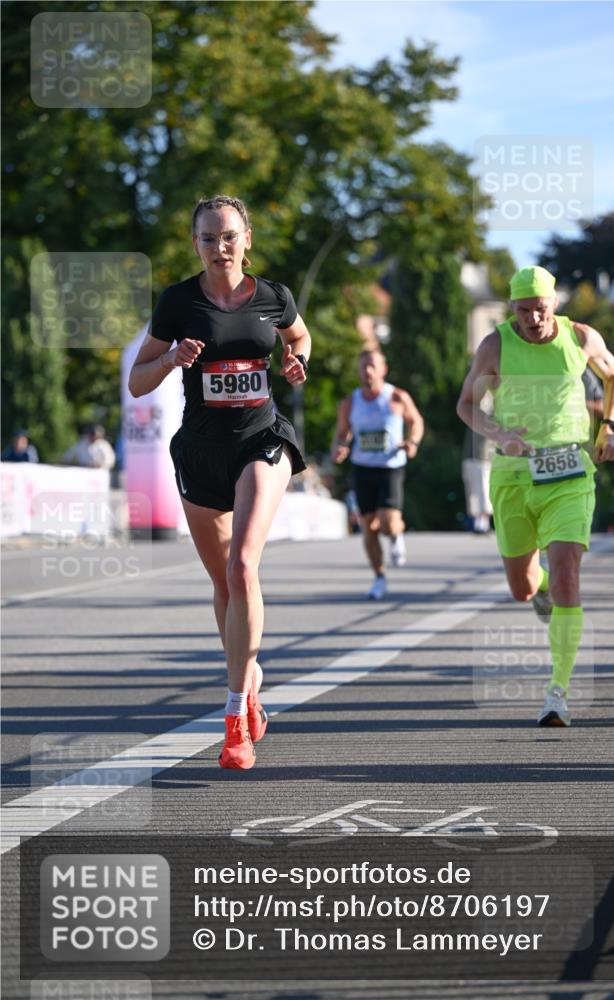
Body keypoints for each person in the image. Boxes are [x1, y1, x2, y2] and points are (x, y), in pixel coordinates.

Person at [128, 194, 310, 770]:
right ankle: (250, 680)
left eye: (229, 235)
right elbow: (137, 381)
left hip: (262, 439)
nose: (220, 246)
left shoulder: (273, 296)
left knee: (242, 566)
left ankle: (234, 718)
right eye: (208, 238)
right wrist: (172, 360)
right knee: (224, 584)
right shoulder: (177, 302)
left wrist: (296, 360)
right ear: (196, 244)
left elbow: (299, 336)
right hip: (201, 451)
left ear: (247, 240)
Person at [457, 266, 614, 727]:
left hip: (571, 472)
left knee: (569, 571)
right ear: (512, 309)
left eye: (541, 308)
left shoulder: (581, 338)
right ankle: (542, 586)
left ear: (555, 304)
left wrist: (608, 427)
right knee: (523, 588)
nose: (533, 318)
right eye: (524, 310)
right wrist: (501, 434)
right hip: (514, 477)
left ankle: (559, 691)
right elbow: (467, 405)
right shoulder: (495, 345)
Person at [331, 348, 424, 599]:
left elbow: (416, 422)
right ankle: (379, 578)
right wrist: (339, 448)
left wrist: (412, 442)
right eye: (363, 366)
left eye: (373, 366)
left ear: (384, 369)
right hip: (362, 468)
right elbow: (342, 433)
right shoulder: (351, 402)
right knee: (368, 527)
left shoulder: (396, 397)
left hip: (390, 467)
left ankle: (396, 535)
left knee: (387, 522)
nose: (368, 371)